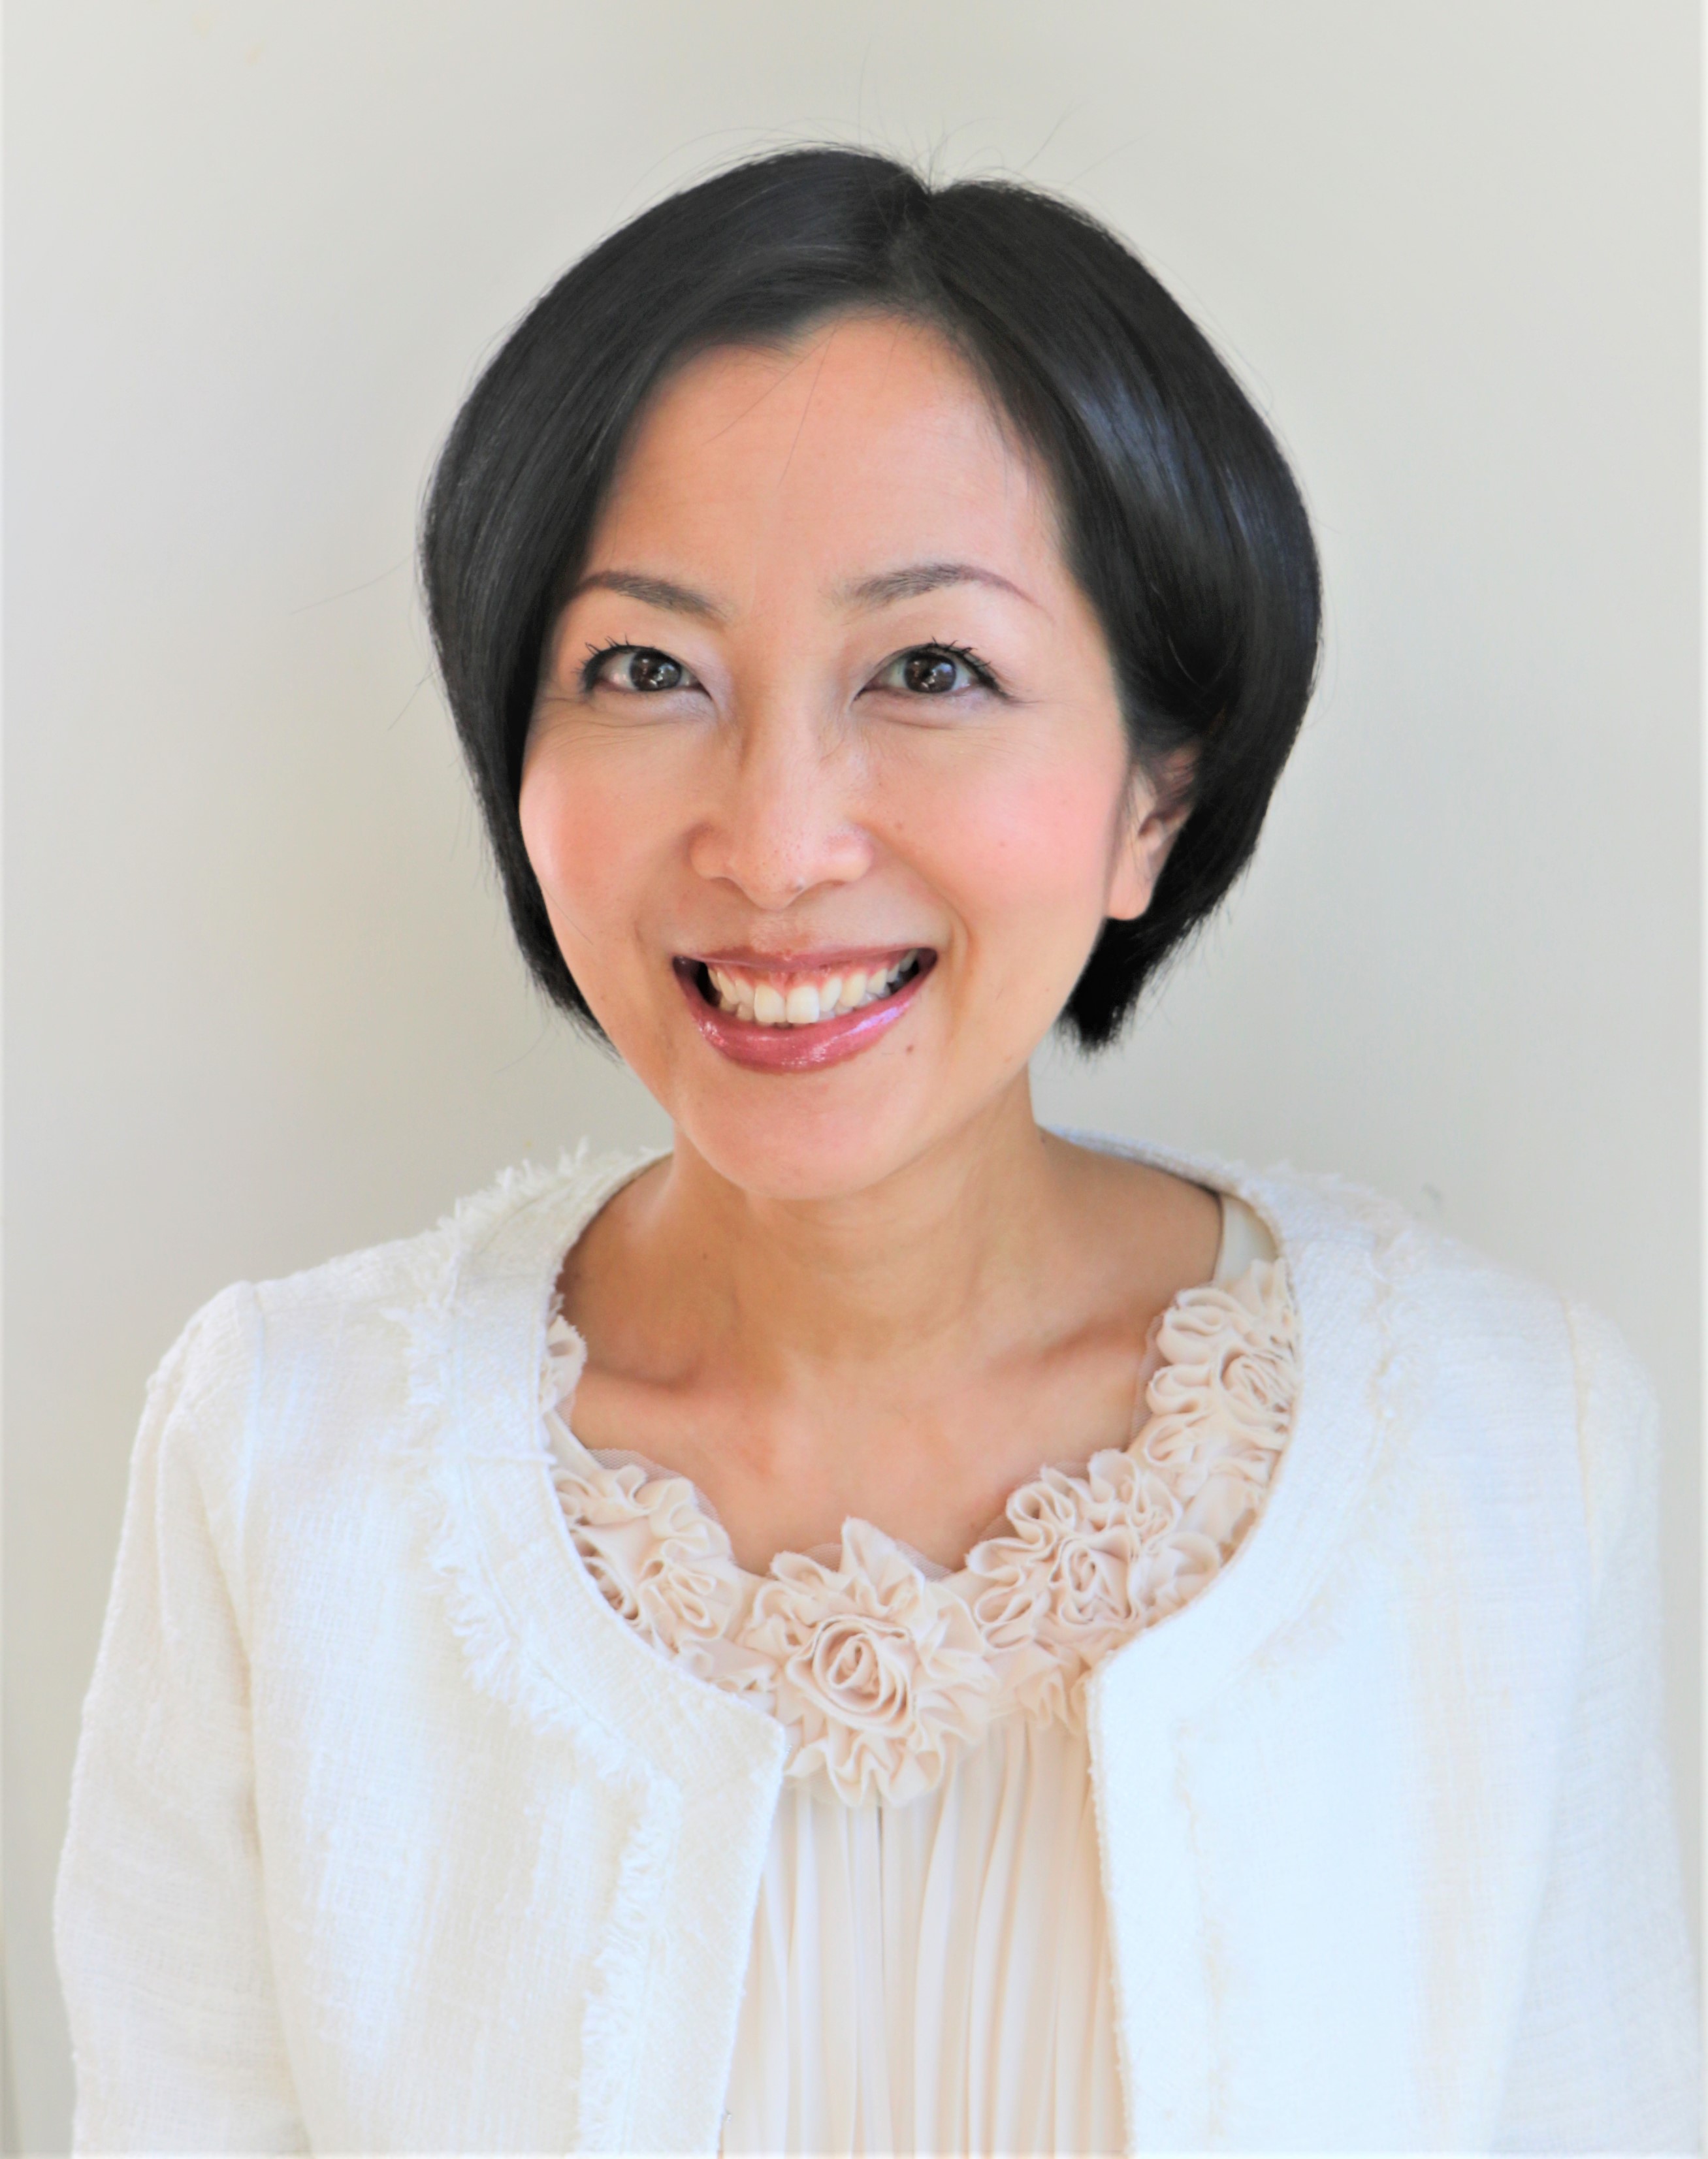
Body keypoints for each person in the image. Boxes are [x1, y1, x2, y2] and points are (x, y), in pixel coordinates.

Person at [56, 147, 1698, 2155]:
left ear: (1155, 797)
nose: (776, 840)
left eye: (930, 671)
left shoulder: (1506, 1451)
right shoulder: (277, 1458)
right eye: (646, 670)